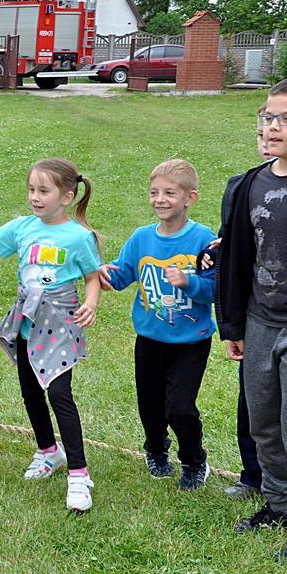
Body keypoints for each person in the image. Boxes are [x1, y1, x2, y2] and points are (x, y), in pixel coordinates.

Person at [216, 76, 287, 564]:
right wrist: (233, 325)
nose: (273, 126)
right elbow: (237, 259)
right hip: (260, 321)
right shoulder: (248, 184)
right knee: (262, 422)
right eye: (267, 117)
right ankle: (280, 504)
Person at [0, 157, 102, 512]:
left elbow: (92, 276)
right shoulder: (23, 227)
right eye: (31, 189)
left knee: (59, 394)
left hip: (59, 324)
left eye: (44, 190)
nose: (35, 197)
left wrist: (91, 303)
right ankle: (48, 451)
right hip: (27, 322)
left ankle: (79, 474)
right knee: (30, 392)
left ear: (67, 196)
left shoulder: (79, 237)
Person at [103, 159, 216, 491]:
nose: (160, 199)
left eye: (169, 192)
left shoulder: (202, 239)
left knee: (180, 407)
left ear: (190, 198)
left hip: (191, 340)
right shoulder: (141, 239)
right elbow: (124, 275)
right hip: (150, 338)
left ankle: (195, 461)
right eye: (154, 192)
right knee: (149, 406)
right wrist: (103, 273)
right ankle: (155, 450)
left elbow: (213, 290)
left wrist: (188, 283)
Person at [199, 113, 271, 500]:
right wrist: (214, 253)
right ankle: (254, 476)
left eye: (274, 129)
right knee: (253, 403)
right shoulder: (243, 186)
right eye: (259, 132)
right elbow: (235, 243)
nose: (266, 139)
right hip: (256, 314)